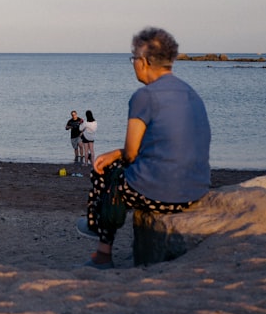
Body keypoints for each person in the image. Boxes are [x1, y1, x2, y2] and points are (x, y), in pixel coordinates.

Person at [76, 27, 211, 270]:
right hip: (196, 189)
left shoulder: (144, 96)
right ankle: (96, 223)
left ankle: (101, 246)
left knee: (107, 172)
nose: (133, 64)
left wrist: (115, 155)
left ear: (145, 62)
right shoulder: (191, 92)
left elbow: (130, 153)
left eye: (134, 59)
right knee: (116, 164)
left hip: (164, 195)